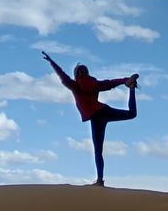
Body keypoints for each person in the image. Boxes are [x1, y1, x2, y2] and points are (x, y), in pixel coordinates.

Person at [42, 51, 139, 186]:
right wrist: (125, 80)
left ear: (76, 75)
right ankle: (132, 88)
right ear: (87, 73)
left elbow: (63, 76)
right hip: (104, 111)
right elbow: (110, 83)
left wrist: (52, 62)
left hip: (96, 117)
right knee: (132, 114)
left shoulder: (75, 86)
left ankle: (100, 180)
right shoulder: (94, 84)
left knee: (98, 150)